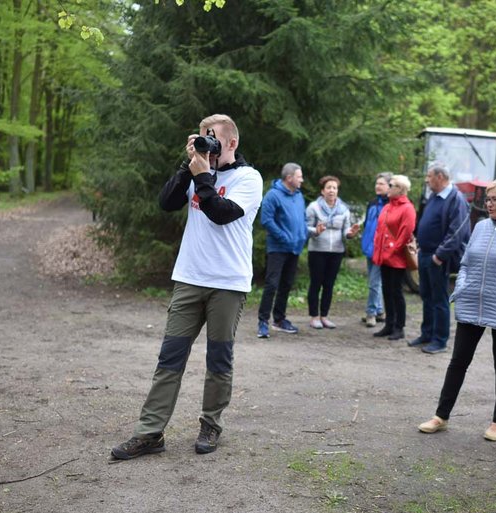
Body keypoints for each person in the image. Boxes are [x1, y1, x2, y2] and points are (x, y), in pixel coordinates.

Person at [111, 114, 263, 459]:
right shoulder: (197, 172)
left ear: (232, 143)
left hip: (227, 283)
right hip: (189, 279)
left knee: (218, 358)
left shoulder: (248, 178)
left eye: (212, 138)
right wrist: (188, 166)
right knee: (170, 357)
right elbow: (166, 203)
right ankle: (149, 433)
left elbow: (221, 212)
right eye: (201, 137)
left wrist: (203, 175)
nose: (206, 144)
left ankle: (211, 424)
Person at [417, 176, 496, 441]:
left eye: (494, 199)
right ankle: (441, 416)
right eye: (486, 199)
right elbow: (465, 263)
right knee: (457, 362)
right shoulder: (481, 227)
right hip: (471, 304)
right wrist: (462, 287)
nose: (487, 204)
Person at [408, 163, 470, 353]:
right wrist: (416, 240)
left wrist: (439, 255)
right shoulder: (434, 197)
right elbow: (424, 222)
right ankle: (427, 334)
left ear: (440, 177)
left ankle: (440, 340)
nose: (427, 180)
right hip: (425, 254)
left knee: (439, 299)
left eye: (429, 176)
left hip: (438, 258)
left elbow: (457, 231)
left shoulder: (455, 199)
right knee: (426, 295)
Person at [257, 163, 308, 338]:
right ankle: (262, 322)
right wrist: (284, 237)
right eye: (299, 176)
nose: (302, 179)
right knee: (272, 284)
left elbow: (302, 219)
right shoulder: (273, 195)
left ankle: (279, 320)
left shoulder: (299, 196)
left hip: (295, 248)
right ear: (289, 178)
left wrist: (303, 235)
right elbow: (266, 220)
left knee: (286, 285)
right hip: (278, 248)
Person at [305, 175, 360, 329]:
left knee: (329, 284)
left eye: (334, 188)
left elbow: (345, 231)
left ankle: (324, 316)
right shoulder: (313, 207)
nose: (331, 190)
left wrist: (351, 233)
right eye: (328, 187)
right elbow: (305, 228)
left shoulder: (344, 209)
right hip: (317, 251)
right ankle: (314, 316)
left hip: (336, 252)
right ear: (322, 191)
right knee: (316, 283)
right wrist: (316, 230)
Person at [371, 175, 417, 341]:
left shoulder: (407, 208)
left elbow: (405, 234)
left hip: (396, 259)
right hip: (384, 257)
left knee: (396, 292)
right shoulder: (387, 207)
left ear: (400, 189)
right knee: (387, 291)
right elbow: (380, 230)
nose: (388, 188)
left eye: (391, 185)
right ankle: (389, 324)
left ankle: (399, 327)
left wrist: (392, 251)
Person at [360, 172, 392, 327]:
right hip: (369, 248)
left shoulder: (391, 205)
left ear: (389, 186)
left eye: (381, 184)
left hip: (381, 250)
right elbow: (367, 224)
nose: (377, 186)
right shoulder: (372, 203)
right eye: (377, 183)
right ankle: (379, 311)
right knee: (374, 282)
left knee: (374, 283)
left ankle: (371, 313)